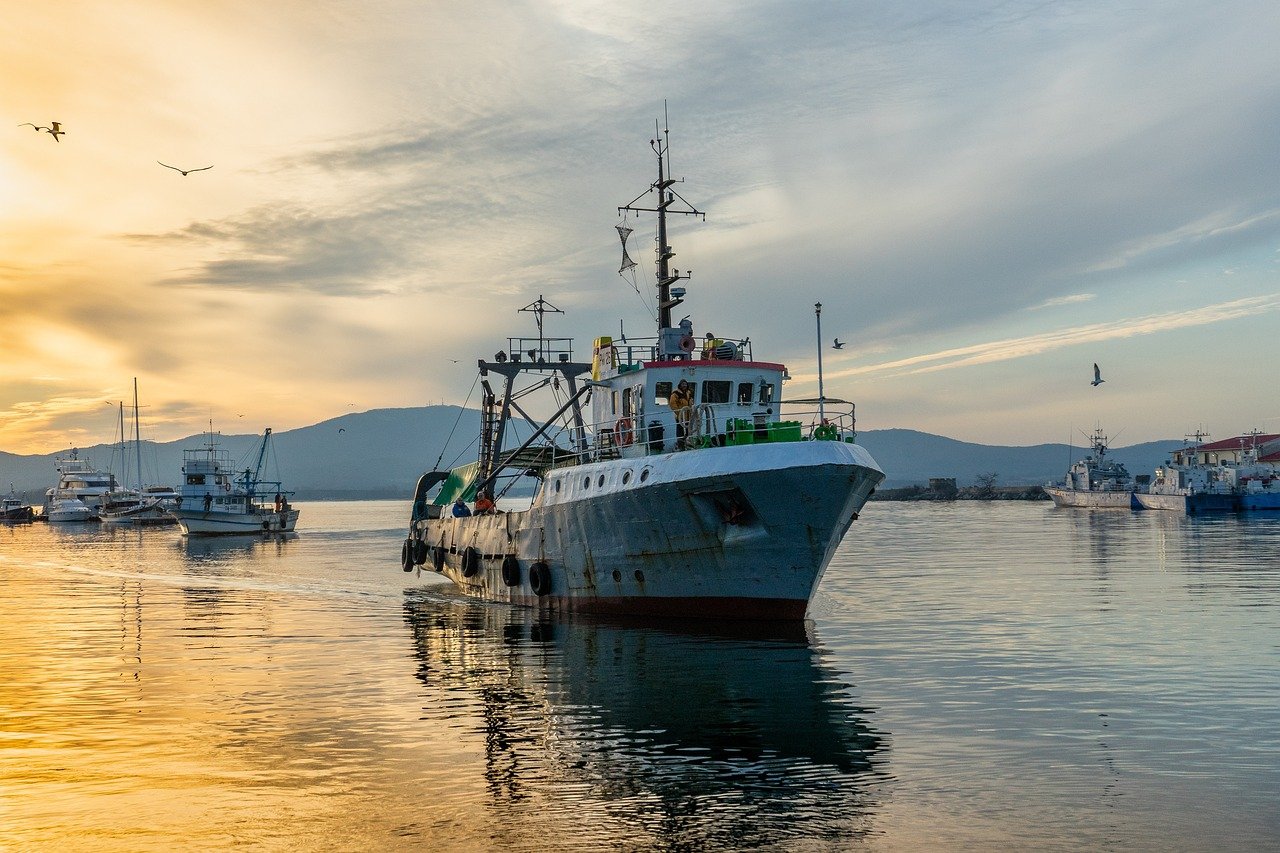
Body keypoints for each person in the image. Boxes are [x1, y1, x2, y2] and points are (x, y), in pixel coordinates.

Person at [669, 379, 694, 447]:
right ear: (680, 385)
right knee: (680, 429)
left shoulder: (688, 393)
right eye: (683, 384)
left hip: (688, 415)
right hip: (680, 416)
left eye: (685, 384)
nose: (684, 386)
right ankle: (680, 444)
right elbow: (672, 404)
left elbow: (691, 402)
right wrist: (679, 413)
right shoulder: (675, 394)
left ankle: (688, 442)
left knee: (688, 429)